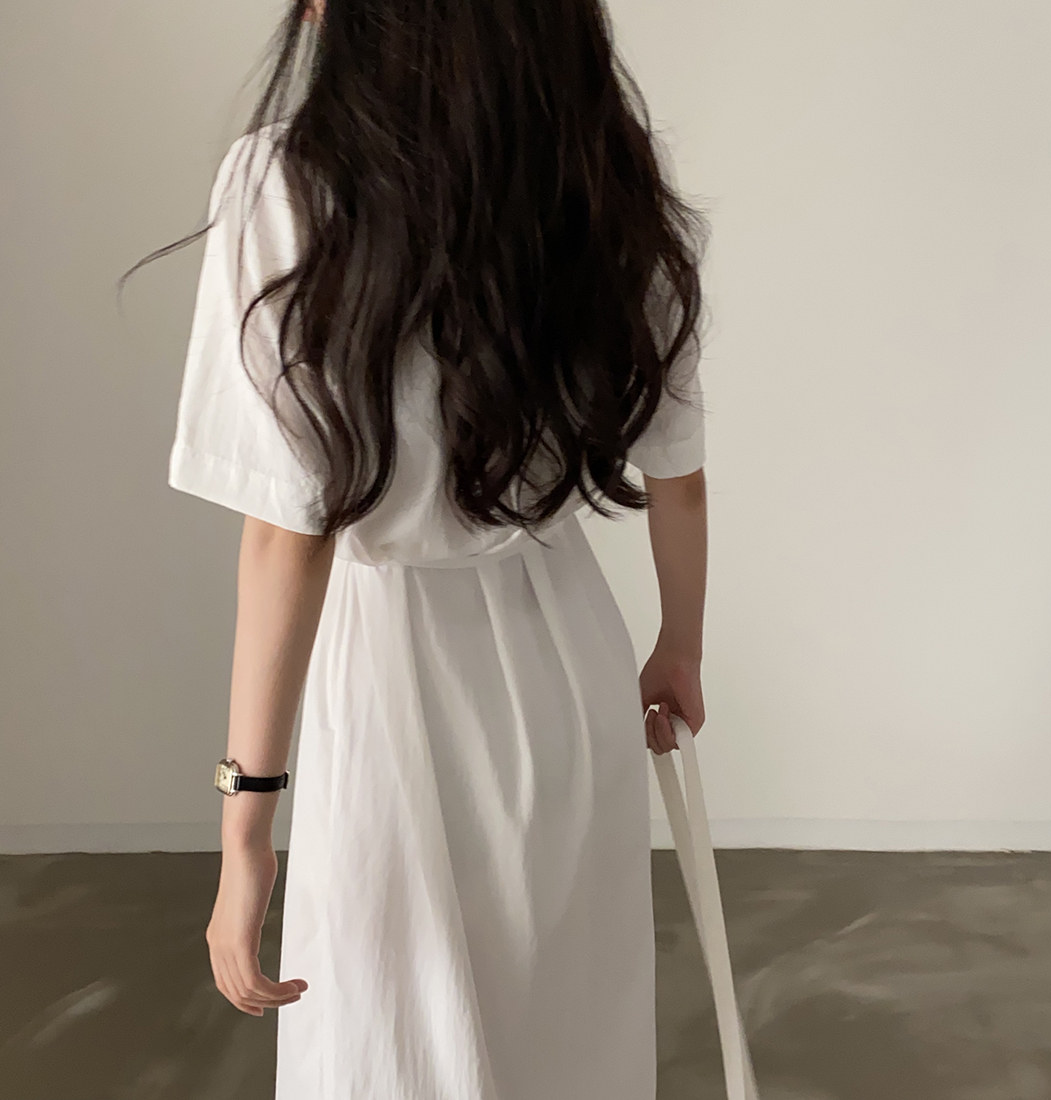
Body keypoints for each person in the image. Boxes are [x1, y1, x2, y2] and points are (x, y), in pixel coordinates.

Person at [122, 0, 710, 1095]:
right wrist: (679, 647)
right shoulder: (607, 168)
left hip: (388, 672)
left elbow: (287, 532)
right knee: (565, 1036)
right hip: (566, 654)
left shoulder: (286, 183)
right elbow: (678, 472)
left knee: (388, 1044)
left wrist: (246, 828)